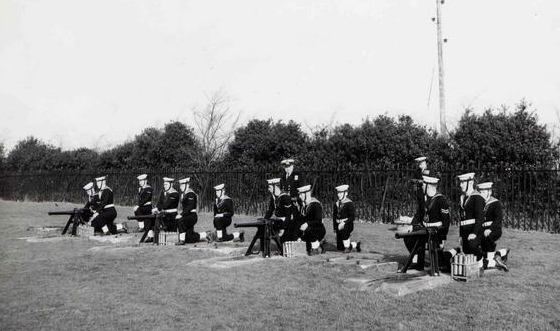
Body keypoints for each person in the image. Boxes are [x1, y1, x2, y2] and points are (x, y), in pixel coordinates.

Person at [478, 182, 510, 271]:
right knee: (482, 249)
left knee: (488, 238)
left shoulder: (495, 203)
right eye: (480, 192)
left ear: (489, 192)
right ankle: (501, 252)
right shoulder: (479, 203)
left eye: (484, 192)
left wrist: (490, 229)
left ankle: (491, 263)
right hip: (482, 229)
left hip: (494, 229)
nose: (481, 194)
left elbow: (498, 219)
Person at [457, 172, 485, 266]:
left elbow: (480, 218)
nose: (460, 185)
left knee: (472, 246)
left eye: (463, 182)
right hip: (465, 231)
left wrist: (474, 233)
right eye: (460, 182)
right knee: (466, 250)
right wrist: (461, 235)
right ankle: (483, 263)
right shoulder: (463, 198)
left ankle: (481, 263)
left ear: (470, 183)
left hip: (475, 230)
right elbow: (462, 218)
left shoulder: (477, 197)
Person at [175, 177, 211, 245]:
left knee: (180, 220)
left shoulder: (191, 194)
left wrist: (181, 214)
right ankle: (206, 234)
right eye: (180, 185)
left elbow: (190, 207)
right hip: (187, 216)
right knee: (189, 238)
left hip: (191, 216)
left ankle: (181, 240)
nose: (180, 187)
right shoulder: (185, 194)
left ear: (187, 185)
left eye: (182, 185)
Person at [145, 177, 179, 243]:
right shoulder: (163, 192)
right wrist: (157, 209)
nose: (164, 186)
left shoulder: (175, 193)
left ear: (171, 185)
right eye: (164, 184)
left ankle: (158, 236)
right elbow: (159, 203)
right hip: (163, 213)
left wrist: (157, 209)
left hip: (171, 215)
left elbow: (166, 205)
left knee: (158, 219)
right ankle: (151, 236)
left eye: (166, 184)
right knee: (149, 218)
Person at [296, 185, 326, 255]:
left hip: (318, 229)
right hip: (308, 230)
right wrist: (299, 236)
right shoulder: (304, 205)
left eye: (301, 194)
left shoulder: (316, 204)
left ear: (307, 194)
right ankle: (320, 243)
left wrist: (307, 224)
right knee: (306, 247)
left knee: (308, 230)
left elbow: (318, 221)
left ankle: (316, 248)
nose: (300, 196)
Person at [263, 178, 295, 242]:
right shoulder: (274, 197)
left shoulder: (285, 197)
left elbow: (288, 215)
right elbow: (270, 210)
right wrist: (264, 220)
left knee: (284, 243)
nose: (268, 189)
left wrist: (283, 228)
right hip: (279, 221)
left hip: (287, 223)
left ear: (276, 187)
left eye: (270, 187)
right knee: (266, 228)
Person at [332, 184, 361, 253]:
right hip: (338, 224)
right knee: (339, 248)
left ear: (346, 193)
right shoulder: (336, 203)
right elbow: (334, 216)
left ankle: (347, 248)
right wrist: (335, 227)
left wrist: (344, 223)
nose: (339, 195)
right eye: (338, 193)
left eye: (341, 193)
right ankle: (356, 245)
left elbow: (352, 217)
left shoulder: (349, 203)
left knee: (344, 233)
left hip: (347, 224)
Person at [411, 156, 430, 224]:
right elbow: (412, 179)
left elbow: (431, 180)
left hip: (427, 192)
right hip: (420, 193)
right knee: (421, 208)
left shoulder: (429, 171)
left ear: (424, 163)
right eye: (419, 164)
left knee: (424, 208)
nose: (419, 165)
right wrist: (417, 181)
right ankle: (419, 222)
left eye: (420, 164)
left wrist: (422, 181)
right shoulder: (417, 171)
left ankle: (416, 222)